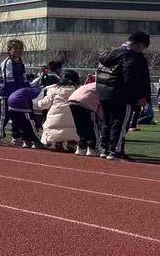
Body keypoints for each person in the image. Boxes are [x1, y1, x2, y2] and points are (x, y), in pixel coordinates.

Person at [95, 30, 152, 161]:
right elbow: (131, 77)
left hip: (104, 92)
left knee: (107, 121)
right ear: (139, 44)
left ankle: (104, 149)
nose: (142, 50)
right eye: (143, 47)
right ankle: (115, 150)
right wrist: (140, 95)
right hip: (122, 94)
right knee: (120, 123)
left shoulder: (110, 52)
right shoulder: (131, 55)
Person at [35, 69, 81, 151]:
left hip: (54, 123)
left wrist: (39, 102)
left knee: (53, 122)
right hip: (73, 123)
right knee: (73, 122)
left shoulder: (54, 90)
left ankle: (58, 142)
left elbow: (43, 105)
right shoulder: (78, 91)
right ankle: (71, 142)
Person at [0, 40, 28, 146]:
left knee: (17, 116)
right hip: (6, 94)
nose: (18, 50)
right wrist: (15, 93)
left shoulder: (20, 62)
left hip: (17, 94)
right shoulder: (8, 62)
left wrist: (27, 90)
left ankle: (16, 137)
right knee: (3, 116)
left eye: (20, 48)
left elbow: (24, 78)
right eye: (15, 48)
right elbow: (9, 80)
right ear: (9, 50)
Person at [67, 73, 102, 157]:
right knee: (91, 126)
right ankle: (92, 148)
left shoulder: (90, 85)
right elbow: (100, 109)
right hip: (85, 102)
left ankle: (81, 147)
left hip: (72, 100)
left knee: (80, 126)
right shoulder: (102, 87)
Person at [4, 83, 42, 149]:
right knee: (30, 124)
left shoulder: (30, 90)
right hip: (20, 103)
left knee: (21, 125)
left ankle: (26, 142)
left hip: (11, 102)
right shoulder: (40, 92)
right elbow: (37, 106)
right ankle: (37, 142)